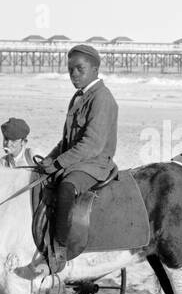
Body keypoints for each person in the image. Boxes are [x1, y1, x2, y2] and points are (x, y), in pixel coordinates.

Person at [33, 44, 119, 276]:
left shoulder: (101, 98)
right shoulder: (79, 97)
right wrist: (50, 159)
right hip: (78, 159)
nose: (74, 74)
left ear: (95, 69)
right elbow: (67, 141)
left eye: (79, 69)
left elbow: (92, 144)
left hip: (95, 164)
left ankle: (59, 251)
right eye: (70, 69)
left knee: (66, 187)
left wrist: (59, 164)